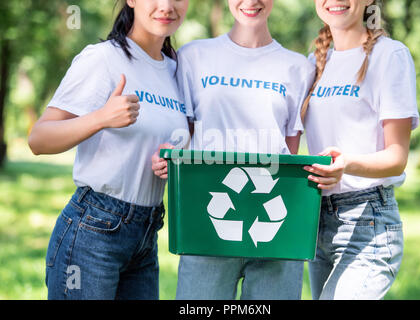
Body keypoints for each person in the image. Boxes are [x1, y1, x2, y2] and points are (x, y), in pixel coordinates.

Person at [152, 0, 317, 300]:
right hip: (207, 223)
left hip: (274, 227)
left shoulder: (299, 67)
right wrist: (170, 148)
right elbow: (184, 134)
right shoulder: (194, 56)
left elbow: (289, 156)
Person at [28, 0, 189, 300]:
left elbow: (181, 138)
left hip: (146, 235)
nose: (166, 6)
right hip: (94, 231)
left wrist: (174, 156)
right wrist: (101, 118)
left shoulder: (177, 70)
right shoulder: (103, 59)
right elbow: (39, 139)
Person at [301, 0, 420, 299]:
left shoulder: (390, 55)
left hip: (367, 222)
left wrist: (346, 164)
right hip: (315, 219)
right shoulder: (314, 61)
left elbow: (397, 158)